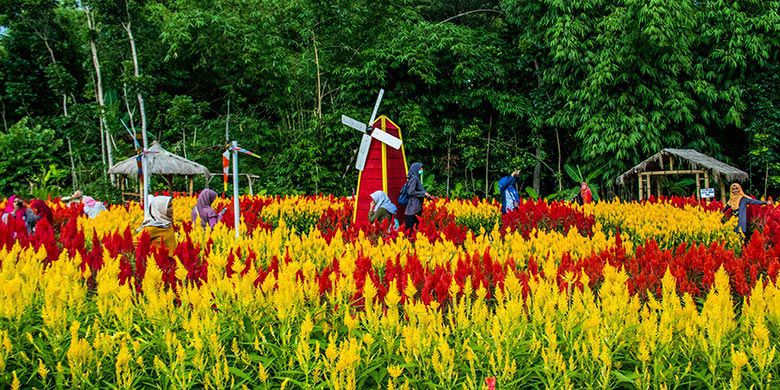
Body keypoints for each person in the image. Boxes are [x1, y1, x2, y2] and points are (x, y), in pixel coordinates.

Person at [403, 162, 433, 231]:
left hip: (415, 206)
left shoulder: (414, 178)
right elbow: (411, 191)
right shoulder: (414, 179)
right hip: (413, 207)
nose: (421, 170)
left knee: (415, 228)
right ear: (415, 169)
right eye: (420, 168)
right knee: (411, 229)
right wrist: (423, 194)